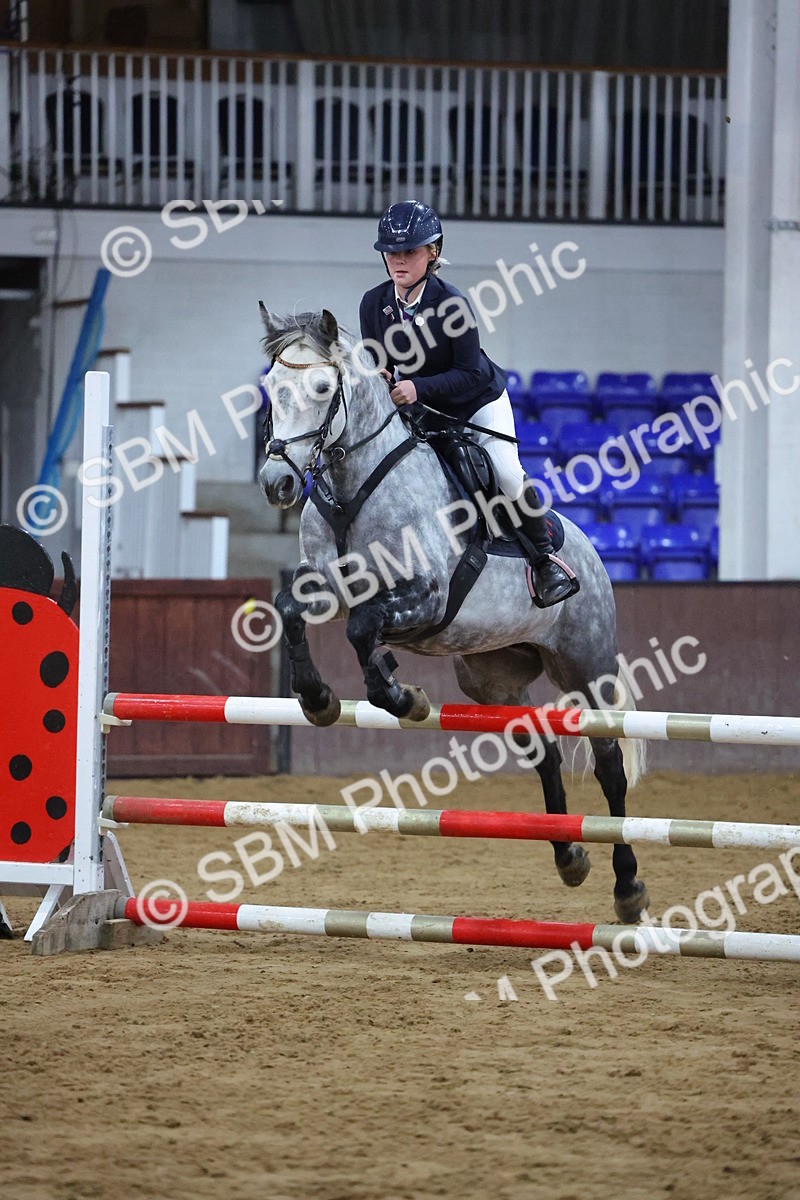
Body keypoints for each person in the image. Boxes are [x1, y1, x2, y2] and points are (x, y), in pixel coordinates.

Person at [359, 199, 578, 608]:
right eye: (392, 252)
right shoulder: (374, 304)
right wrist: (382, 378)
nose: (398, 261)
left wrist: (417, 389)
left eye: (409, 251)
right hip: (422, 412)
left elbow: (471, 373)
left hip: (476, 402)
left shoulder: (451, 303)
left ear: (433, 252)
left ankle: (545, 560)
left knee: (508, 474)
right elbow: (382, 364)